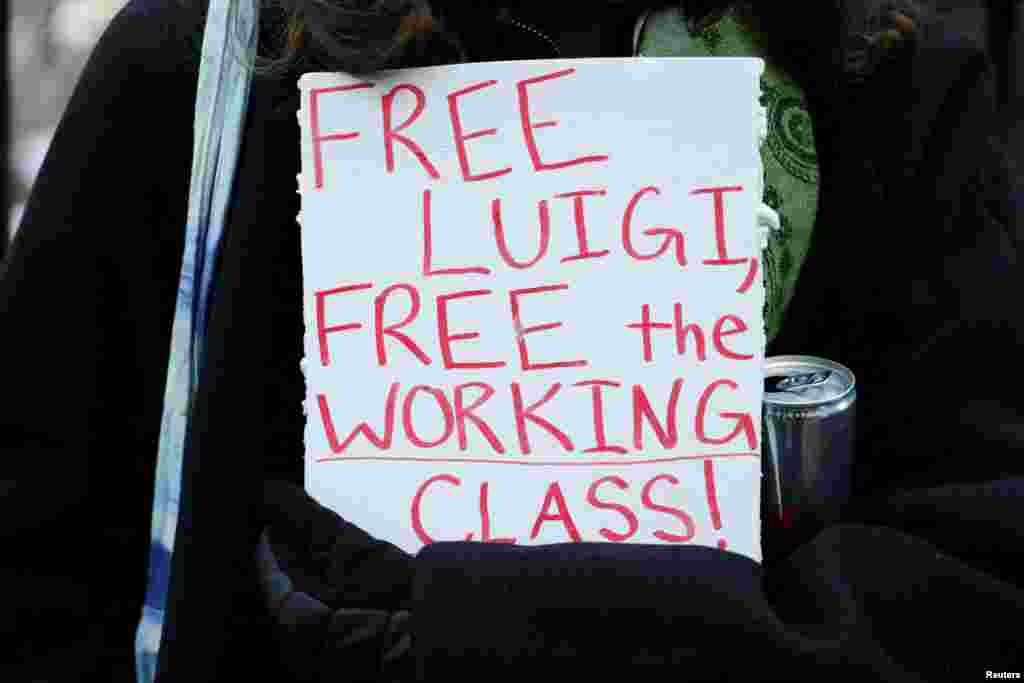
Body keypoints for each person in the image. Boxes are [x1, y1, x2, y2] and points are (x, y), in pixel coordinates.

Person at [1, 1, 1020, 681]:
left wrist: (487, 618)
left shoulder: (886, 80)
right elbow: (38, 569)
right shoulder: (201, 77)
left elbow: (975, 577)